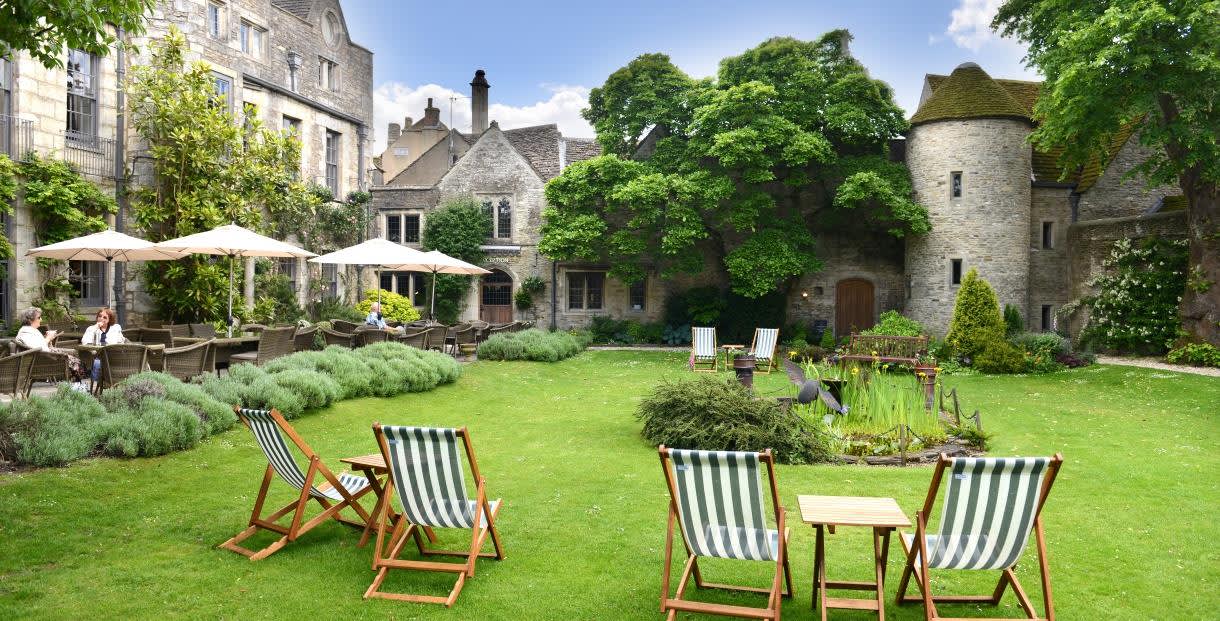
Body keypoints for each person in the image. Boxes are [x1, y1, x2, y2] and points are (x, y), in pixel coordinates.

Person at [14, 307, 88, 384]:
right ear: (30, 320)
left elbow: (38, 346)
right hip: (43, 364)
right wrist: (48, 338)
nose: (41, 319)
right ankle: (78, 388)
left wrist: (47, 339)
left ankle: (77, 387)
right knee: (77, 363)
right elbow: (39, 349)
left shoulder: (28, 331)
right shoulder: (26, 333)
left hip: (42, 360)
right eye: (39, 318)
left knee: (75, 358)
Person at [81, 308, 125, 381]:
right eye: (100, 316)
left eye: (105, 317)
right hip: (98, 356)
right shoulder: (91, 329)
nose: (101, 319)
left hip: (113, 356)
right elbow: (85, 342)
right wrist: (96, 327)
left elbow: (121, 342)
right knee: (97, 364)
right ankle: (96, 383)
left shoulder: (115, 328)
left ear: (109, 320)